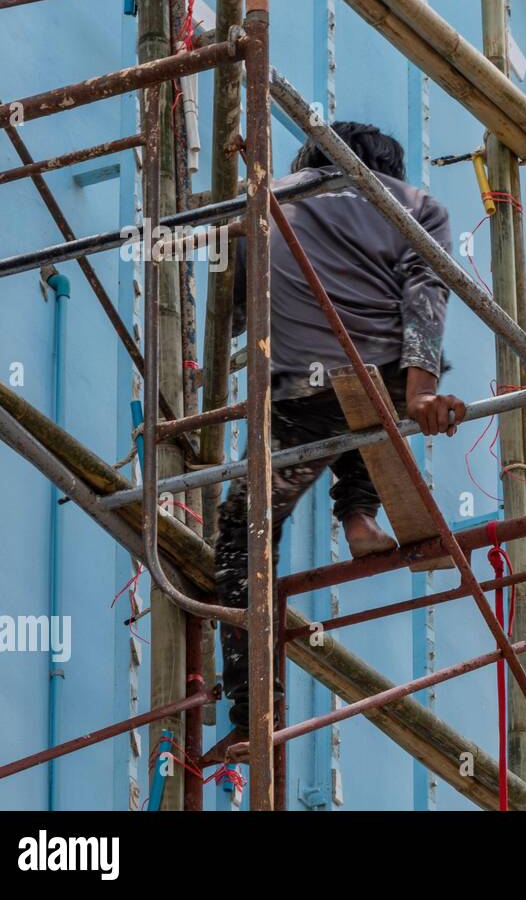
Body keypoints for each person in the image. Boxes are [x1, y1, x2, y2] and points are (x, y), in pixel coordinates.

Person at [217, 121, 467, 736]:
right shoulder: (417, 208)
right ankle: (358, 516)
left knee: (243, 532)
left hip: (297, 391)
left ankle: (252, 705)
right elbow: (425, 297)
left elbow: (235, 316)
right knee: (369, 404)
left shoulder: (267, 201)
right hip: (377, 381)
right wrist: (422, 392)